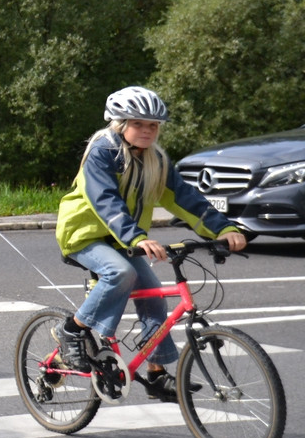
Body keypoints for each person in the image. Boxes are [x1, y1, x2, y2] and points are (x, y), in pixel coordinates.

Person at [53, 86, 247, 401]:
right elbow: (105, 202)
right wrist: (138, 238)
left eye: (153, 125)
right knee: (121, 273)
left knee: (154, 298)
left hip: (125, 240)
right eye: (138, 123)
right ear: (119, 123)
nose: (147, 130)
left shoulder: (156, 160)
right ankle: (72, 330)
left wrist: (221, 229)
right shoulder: (102, 151)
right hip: (85, 235)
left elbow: (185, 199)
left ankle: (156, 374)